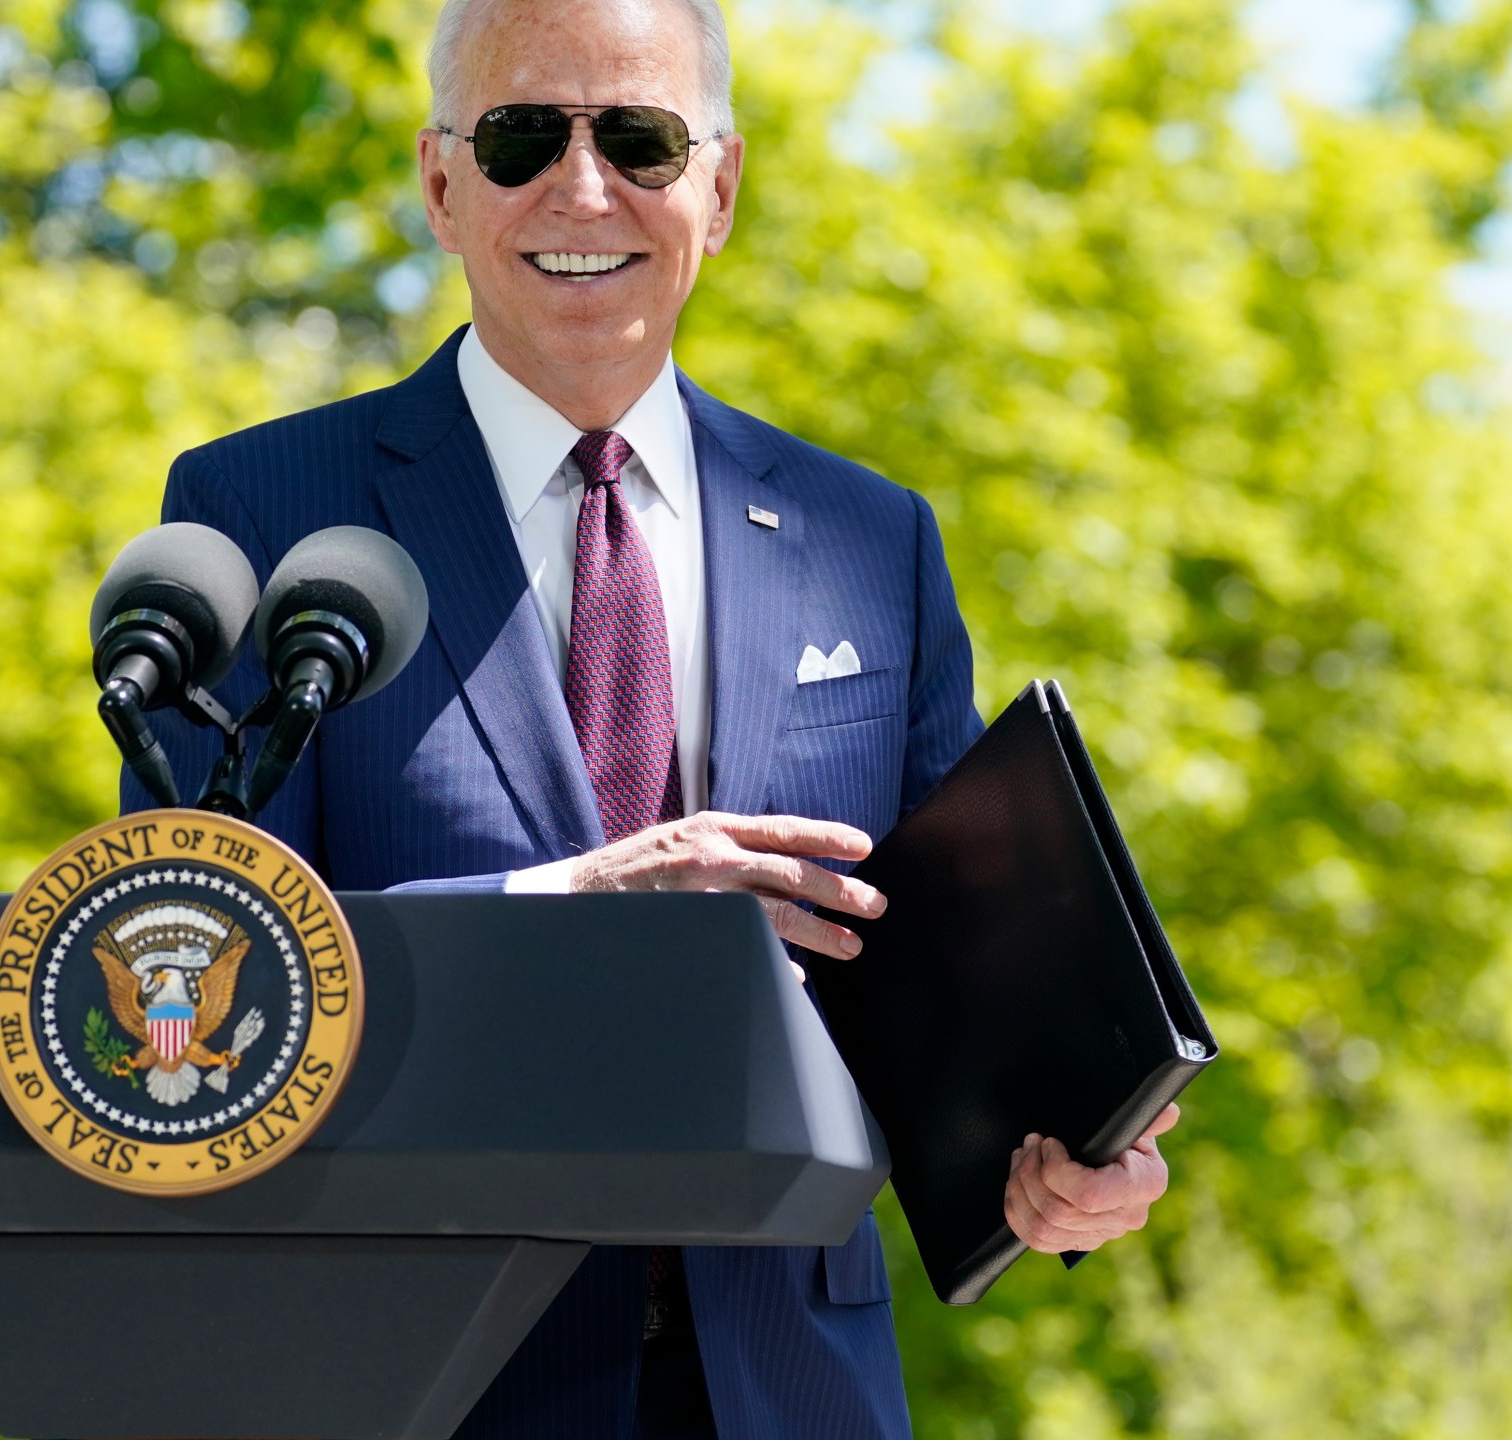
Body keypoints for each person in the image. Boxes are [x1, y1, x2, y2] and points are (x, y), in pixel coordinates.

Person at [128, 0, 1178, 1433]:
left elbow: (946, 996)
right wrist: (579, 904)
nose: (581, 189)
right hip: (428, 1379)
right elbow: (198, 982)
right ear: (442, 184)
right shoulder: (261, 517)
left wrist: (1059, 1159)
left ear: (721, 189)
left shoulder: (870, 542)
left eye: (638, 138)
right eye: (519, 139)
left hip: (791, 1388)